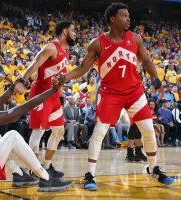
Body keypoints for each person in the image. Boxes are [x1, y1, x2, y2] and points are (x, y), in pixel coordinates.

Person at [56, 2, 174, 190]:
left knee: (149, 130)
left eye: (128, 15)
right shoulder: (98, 43)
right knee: (99, 132)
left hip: (134, 92)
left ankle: (154, 170)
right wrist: (64, 77)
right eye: (124, 16)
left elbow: (146, 60)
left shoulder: (135, 39)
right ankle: (90, 175)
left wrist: (156, 79)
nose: (128, 18)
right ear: (113, 19)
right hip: (110, 94)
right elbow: (82, 68)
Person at [22, 21, 76, 177]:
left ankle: (46, 167)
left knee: (58, 131)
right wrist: (22, 80)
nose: (75, 34)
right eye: (73, 31)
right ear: (65, 32)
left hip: (53, 94)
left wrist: (60, 96)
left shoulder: (66, 51)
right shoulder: (51, 47)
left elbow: (58, 78)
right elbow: (34, 63)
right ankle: (30, 169)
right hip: (40, 93)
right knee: (38, 132)